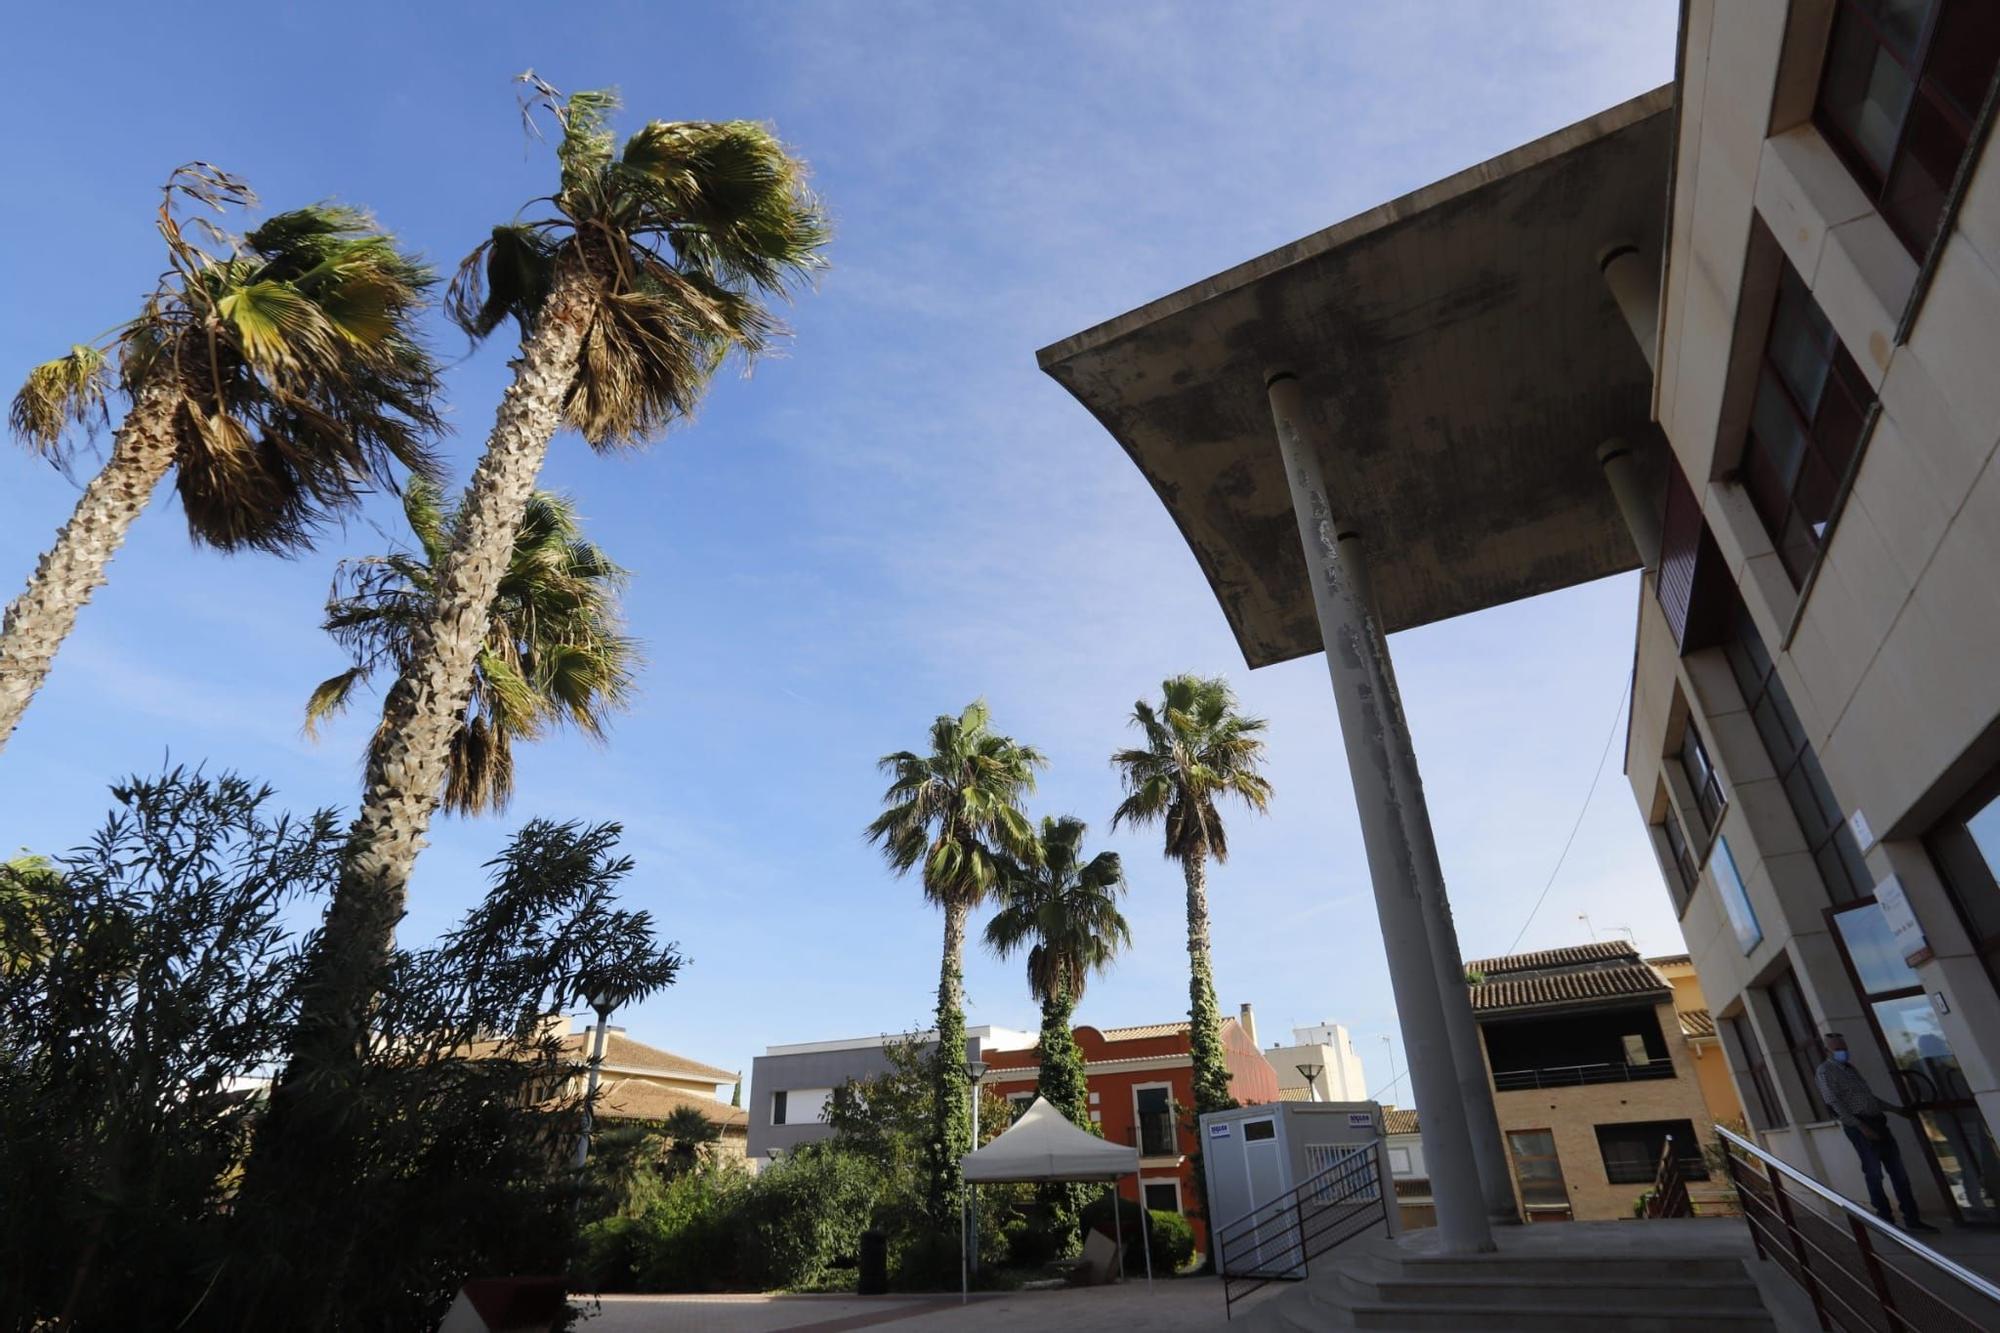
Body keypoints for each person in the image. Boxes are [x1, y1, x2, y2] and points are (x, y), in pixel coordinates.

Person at [1816, 1032, 1938, 1234]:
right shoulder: (1826, 1071)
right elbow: (1834, 1103)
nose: (1843, 1052)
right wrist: (1860, 1127)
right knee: (1874, 1172)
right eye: (1837, 1049)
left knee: (1899, 1172)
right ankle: (1885, 1220)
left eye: (1844, 1047)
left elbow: (1869, 1099)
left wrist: (1895, 1109)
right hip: (1860, 1126)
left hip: (1878, 1122)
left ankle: (1912, 1218)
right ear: (1827, 1050)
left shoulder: (1851, 1069)